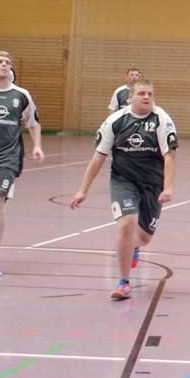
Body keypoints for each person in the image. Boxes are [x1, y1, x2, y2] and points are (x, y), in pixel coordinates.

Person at [71, 78, 177, 300]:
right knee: (127, 223)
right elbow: (98, 157)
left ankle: (134, 246)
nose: (146, 97)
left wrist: (167, 187)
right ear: (130, 97)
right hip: (124, 181)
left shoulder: (161, 119)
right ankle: (123, 282)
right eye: (141, 93)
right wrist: (82, 190)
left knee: (144, 237)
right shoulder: (116, 121)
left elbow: (169, 155)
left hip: (152, 183)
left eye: (150, 94)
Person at [0, 51, 44, 278]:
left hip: (6, 159)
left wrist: (37, 146)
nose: (3, 65)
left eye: (7, 62)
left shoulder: (21, 95)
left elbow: (33, 123)